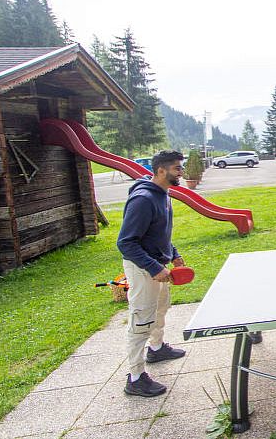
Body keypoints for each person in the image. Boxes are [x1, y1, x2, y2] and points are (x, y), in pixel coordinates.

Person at [118, 150, 188, 397]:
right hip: (143, 269)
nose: (181, 172)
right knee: (141, 321)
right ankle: (135, 378)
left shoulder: (163, 194)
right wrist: (154, 267)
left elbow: (159, 232)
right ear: (161, 170)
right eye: (177, 169)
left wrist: (174, 252)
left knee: (160, 309)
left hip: (159, 265)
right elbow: (126, 243)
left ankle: (156, 349)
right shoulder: (144, 199)